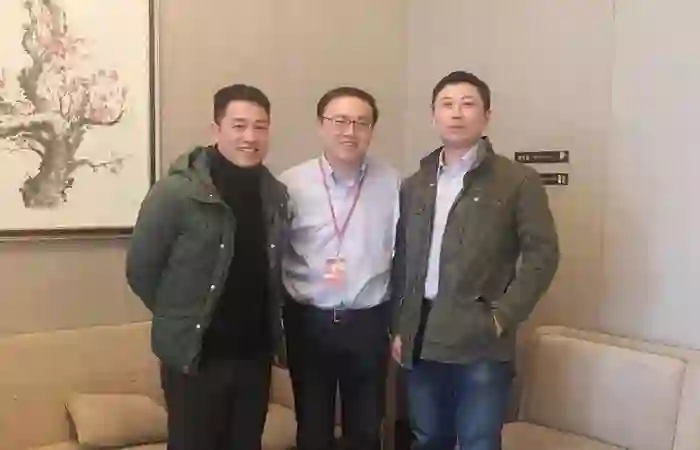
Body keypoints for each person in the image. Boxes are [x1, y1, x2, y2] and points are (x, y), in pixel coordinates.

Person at [391, 71, 560, 450]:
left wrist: (502, 316)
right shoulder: (415, 184)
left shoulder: (517, 180)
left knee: (478, 441)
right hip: (421, 335)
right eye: (446, 104)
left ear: (487, 116)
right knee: (427, 438)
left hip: (482, 340)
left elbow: (543, 254)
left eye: (468, 104)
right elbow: (402, 259)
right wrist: (400, 326)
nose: (456, 113)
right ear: (433, 115)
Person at [125, 84, 289, 450]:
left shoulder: (274, 193)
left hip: (254, 357)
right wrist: (181, 313)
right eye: (239, 126)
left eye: (260, 127)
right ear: (216, 129)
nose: (250, 137)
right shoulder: (176, 192)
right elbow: (141, 270)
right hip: (196, 356)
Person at [280, 86, 401, 450]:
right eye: (340, 121)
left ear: (372, 130)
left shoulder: (393, 183)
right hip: (308, 321)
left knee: (365, 430)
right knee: (313, 429)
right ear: (321, 125)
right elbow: (275, 253)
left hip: (369, 321)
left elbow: (405, 254)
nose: (350, 131)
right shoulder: (290, 185)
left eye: (361, 123)